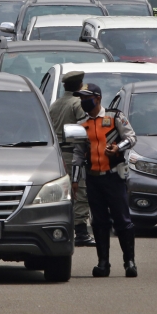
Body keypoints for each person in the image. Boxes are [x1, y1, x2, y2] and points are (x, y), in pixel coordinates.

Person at [71, 83, 138, 278]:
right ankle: (103, 263)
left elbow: (131, 137)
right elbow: (77, 153)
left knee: (122, 220)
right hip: (93, 179)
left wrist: (118, 147)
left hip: (114, 177)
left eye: (86, 98)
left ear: (98, 98)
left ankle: (129, 262)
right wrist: (74, 181)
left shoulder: (115, 117)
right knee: (99, 222)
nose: (83, 102)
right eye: (81, 98)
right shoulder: (81, 124)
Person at [49, 71, 95, 247]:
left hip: (57, 155)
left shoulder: (55, 104)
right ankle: (81, 232)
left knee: (62, 193)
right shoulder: (78, 103)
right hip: (73, 153)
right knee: (80, 192)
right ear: (79, 86)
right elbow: (86, 130)